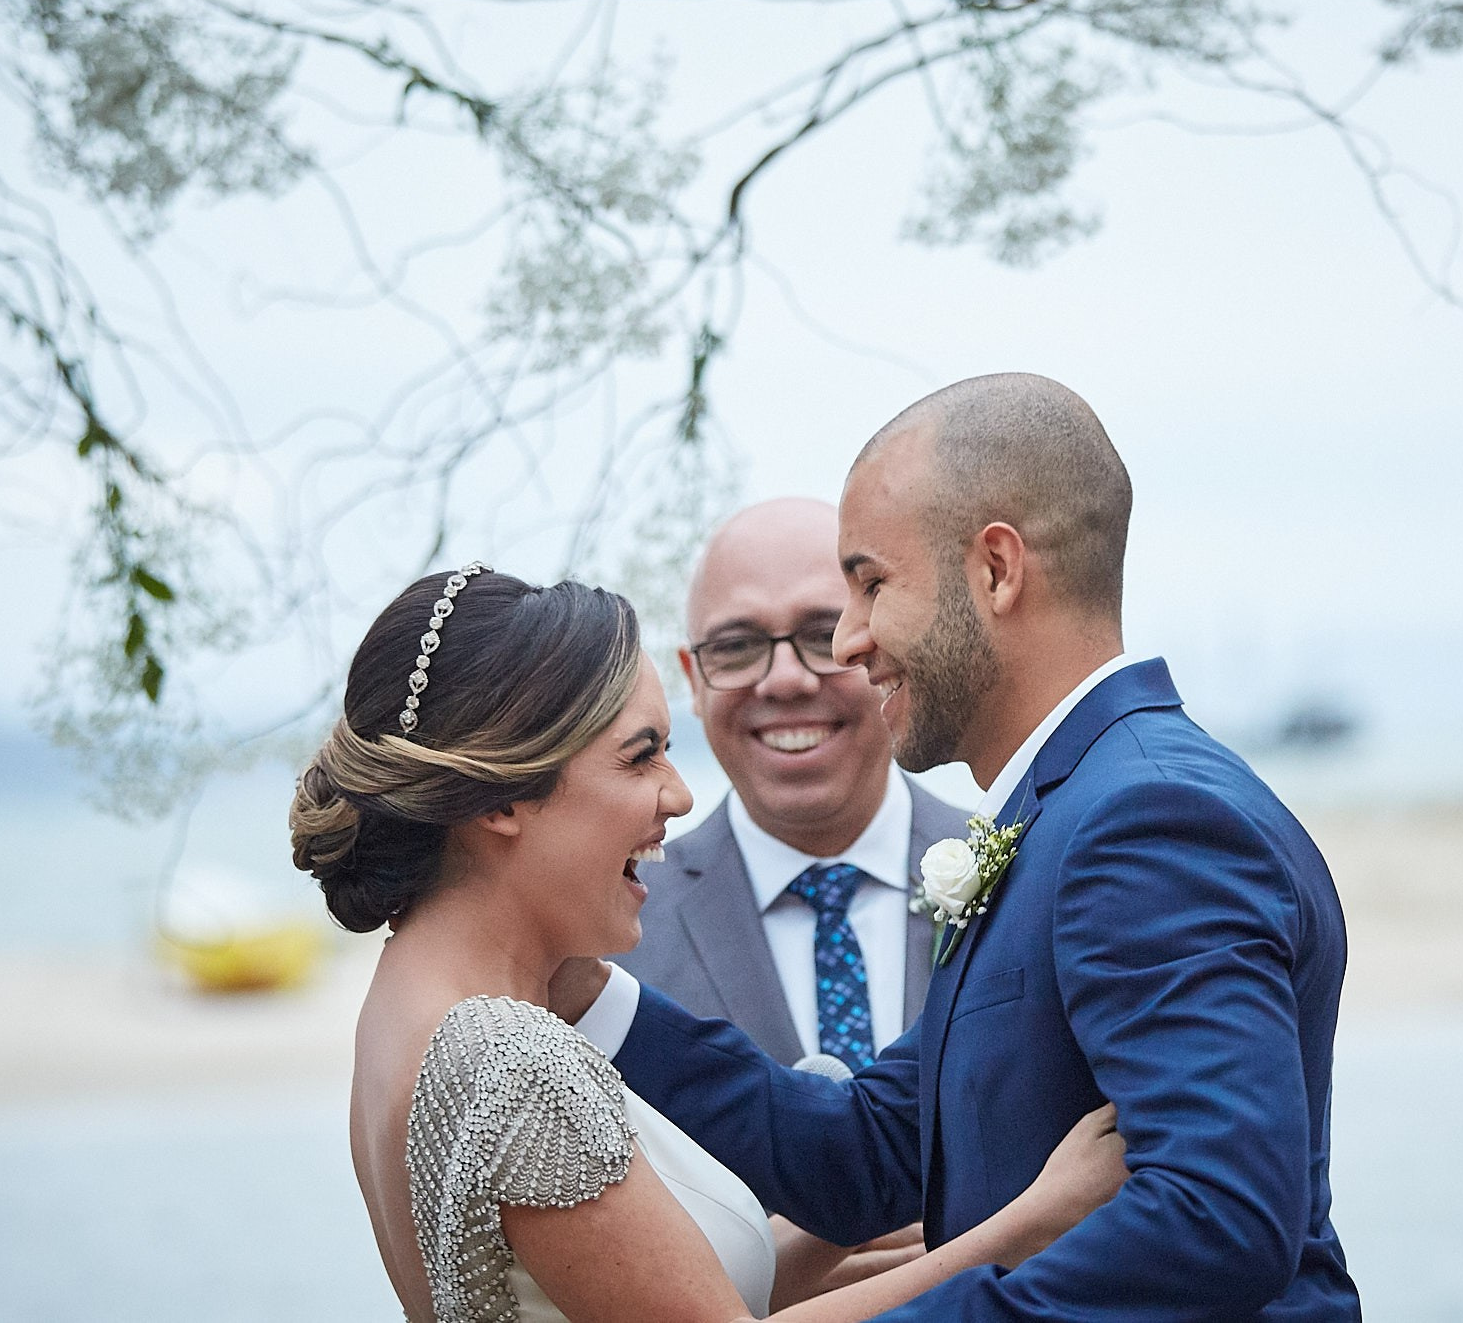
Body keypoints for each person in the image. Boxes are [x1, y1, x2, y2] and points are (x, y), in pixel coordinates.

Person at [565, 374, 1362, 1319]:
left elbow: (1215, 1218)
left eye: (871, 585)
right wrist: (585, 991)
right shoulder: (1062, 810)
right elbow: (868, 1153)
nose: (849, 640)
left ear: (996, 570)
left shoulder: (1147, 819)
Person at [288, 565, 1126, 1323]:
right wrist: (1028, 1225)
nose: (680, 795)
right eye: (640, 757)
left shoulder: (403, 1009)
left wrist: (849, 1207)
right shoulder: (512, 1059)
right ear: (500, 796)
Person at [620, 497, 967, 1067]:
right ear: (694, 680)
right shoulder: (612, 937)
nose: (785, 681)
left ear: (888, 653)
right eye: (736, 647)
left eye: (823, 635)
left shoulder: (1026, 877)